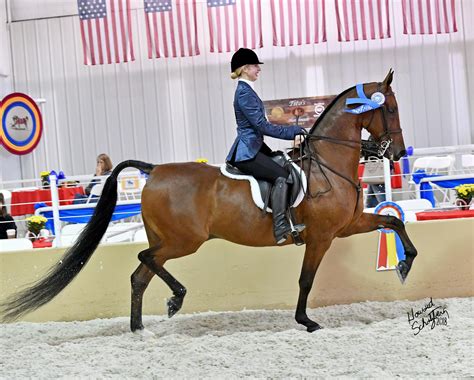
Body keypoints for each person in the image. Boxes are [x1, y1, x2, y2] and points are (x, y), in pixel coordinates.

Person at [226, 48, 306, 244]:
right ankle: (280, 227)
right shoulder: (244, 93)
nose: (258, 70)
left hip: (255, 148)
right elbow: (261, 126)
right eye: (255, 66)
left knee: (283, 164)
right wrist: (292, 131)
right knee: (282, 176)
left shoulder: (247, 91)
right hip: (246, 153)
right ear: (245, 69)